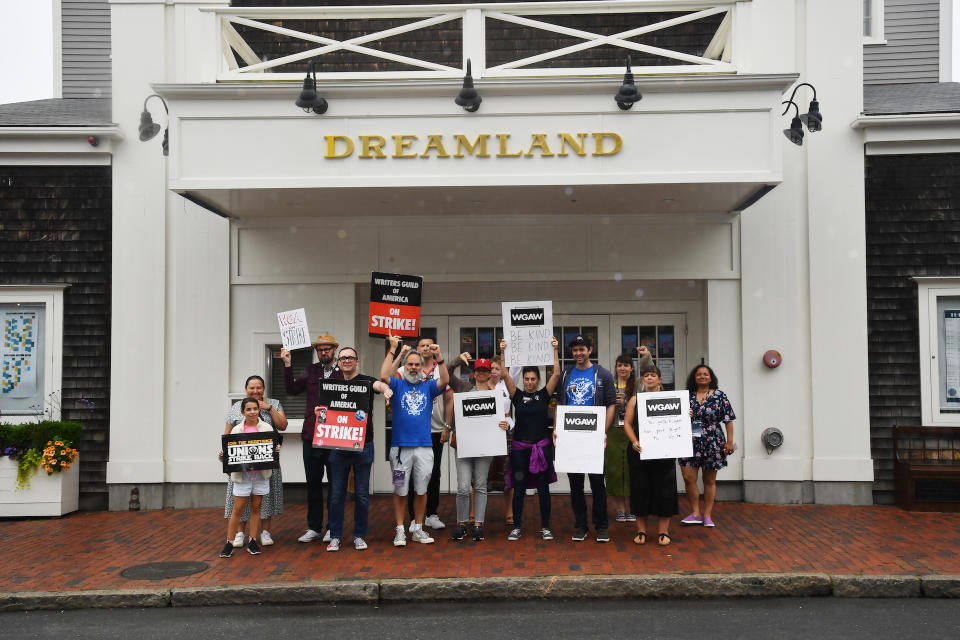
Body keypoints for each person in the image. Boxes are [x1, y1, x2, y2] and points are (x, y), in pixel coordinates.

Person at [381, 333, 450, 546]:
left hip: (424, 449)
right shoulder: (398, 384)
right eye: (409, 364)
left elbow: (445, 380)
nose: (413, 367)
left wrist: (439, 357)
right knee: (400, 490)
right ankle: (400, 530)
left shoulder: (428, 386)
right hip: (400, 450)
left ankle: (418, 529)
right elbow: (384, 375)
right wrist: (395, 350)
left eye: (416, 364)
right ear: (405, 366)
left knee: (422, 490)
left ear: (421, 366)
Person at [325, 346, 393, 552]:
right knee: (337, 494)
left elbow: (379, 385)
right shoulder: (330, 385)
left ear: (357, 362)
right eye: (343, 358)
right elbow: (323, 410)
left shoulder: (366, 381)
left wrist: (386, 390)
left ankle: (359, 536)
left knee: (362, 493)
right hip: (338, 445)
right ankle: (335, 536)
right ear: (338, 362)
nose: (346, 361)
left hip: (364, 445)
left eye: (350, 358)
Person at [281, 333, 343, 543]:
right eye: (320, 349)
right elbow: (292, 390)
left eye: (327, 349)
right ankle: (314, 527)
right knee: (313, 483)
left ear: (334, 350)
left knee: (335, 483)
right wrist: (288, 364)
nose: (323, 352)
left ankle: (332, 528)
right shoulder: (311, 370)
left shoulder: (343, 371)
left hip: (335, 435)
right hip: (311, 434)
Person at [556, 335, 617, 543]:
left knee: (598, 483)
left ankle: (601, 526)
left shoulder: (603, 374)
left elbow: (611, 404)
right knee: (575, 485)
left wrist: (603, 430)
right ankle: (580, 525)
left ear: (590, 350)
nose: (578, 353)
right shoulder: (566, 374)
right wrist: (557, 429)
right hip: (571, 436)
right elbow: (559, 405)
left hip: (593, 436)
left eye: (582, 349)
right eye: (575, 350)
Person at [500, 337, 561, 541]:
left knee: (543, 490)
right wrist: (503, 352)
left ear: (538, 380)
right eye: (527, 379)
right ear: (523, 380)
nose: (530, 382)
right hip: (520, 450)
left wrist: (555, 350)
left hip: (541, 449)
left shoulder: (544, 395)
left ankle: (545, 527)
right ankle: (516, 526)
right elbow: (505, 373)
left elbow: (557, 373)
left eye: (533, 379)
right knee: (518, 490)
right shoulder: (516, 395)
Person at [442, 358, 508, 542]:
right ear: (474, 372)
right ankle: (462, 524)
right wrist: (457, 360)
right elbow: (446, 373)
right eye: (478, 370)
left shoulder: (496, 393)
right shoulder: (463, 387)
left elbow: (507, 418)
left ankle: (478, 524)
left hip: (485, 446)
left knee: (480, 485)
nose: (481, 373)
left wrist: (506, 425)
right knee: (463, 487)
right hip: (464, 444)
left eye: (485, 370)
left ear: (489, 373)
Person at [223, 375, 287, 547]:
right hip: (241, 465)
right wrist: (226, 457)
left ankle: (265, 532)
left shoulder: (274, 403)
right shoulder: (237, 406)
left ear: (263, 389)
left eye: (259, 387)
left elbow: (283, 425)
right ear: (246, 389)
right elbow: (227, 435)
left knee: (265, 498)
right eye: (252, 388)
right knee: (240, 500)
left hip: (265, 463)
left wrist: (269, 408)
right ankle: (239, 533)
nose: (255, 391)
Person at [623, 364, 679, 546]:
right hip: (640, 452)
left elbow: (679, 422)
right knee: (640, 490)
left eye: (653, 375)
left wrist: (688, 414)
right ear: (642, 379)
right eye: (646, 375)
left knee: (665, 491)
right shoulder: (635, 400)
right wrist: (634, 441)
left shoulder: (671, 398)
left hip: (664, 453)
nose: (649, 378)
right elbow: (627, 424)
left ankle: (664, 532)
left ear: (660, 380)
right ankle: (641, 531)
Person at [679, 364, 736, 528]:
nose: (702, 376)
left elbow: (728, 420)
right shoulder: (686, 396)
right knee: (688, 478)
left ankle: (707, 515)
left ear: (711, 378)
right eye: (699, 374)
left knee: (709, 480)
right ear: (694, 378)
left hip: (713, 440)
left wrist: (730, 441)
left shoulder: (719, 396)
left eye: (705, 374)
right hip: (689, 440)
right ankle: (695, 513)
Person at [219, 397, 276, 558]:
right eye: (248, 409)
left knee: (256, 508)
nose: (252, 412)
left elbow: (272, 451)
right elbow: (230, 454)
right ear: (243, 412)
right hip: (242, 477)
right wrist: (223, 456)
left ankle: (252, 541)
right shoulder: (237, 430)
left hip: (260, 476)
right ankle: (229, 543)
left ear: (259, 410)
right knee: (237, 509)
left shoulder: (266, 427)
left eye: (255, 409)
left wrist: (275, 449)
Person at [403, 336, 449, 531]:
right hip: (414, 431)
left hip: (436, 429)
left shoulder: (440, 368)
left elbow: (449, 396)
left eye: (429, 345)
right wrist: (399, 353)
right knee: (413, 474)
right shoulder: (410, 368)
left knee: (434, 473)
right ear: (417, 349)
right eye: (422, 345)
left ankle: (431, 513)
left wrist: (447, 426)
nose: (425, 348)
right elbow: (387, 377)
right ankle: (414, 517)